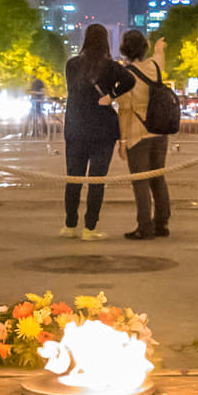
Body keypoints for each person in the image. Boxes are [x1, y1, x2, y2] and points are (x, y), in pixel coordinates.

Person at [61, 23, 131, 239]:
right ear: (105, 42)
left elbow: (72, 91)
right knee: (96, 180)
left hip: (76, 128)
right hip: (102, 130)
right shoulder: (111, 67)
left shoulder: (72, 65)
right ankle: (90, 228)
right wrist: (110, 96)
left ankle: (70, 225)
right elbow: (130, 80)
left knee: (73, 178)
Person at [114, 28, 170, 240]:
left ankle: (144, 227)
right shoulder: (155, 66)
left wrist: (122, 141)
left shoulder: (125, 75)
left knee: (140, 181)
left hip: (138, 134)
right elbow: (159, 57)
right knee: (158, 178)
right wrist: (158, 48)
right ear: (144, 49)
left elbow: (125, 110)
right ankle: (162, 223)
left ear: (124, 50)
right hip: (160, 132)